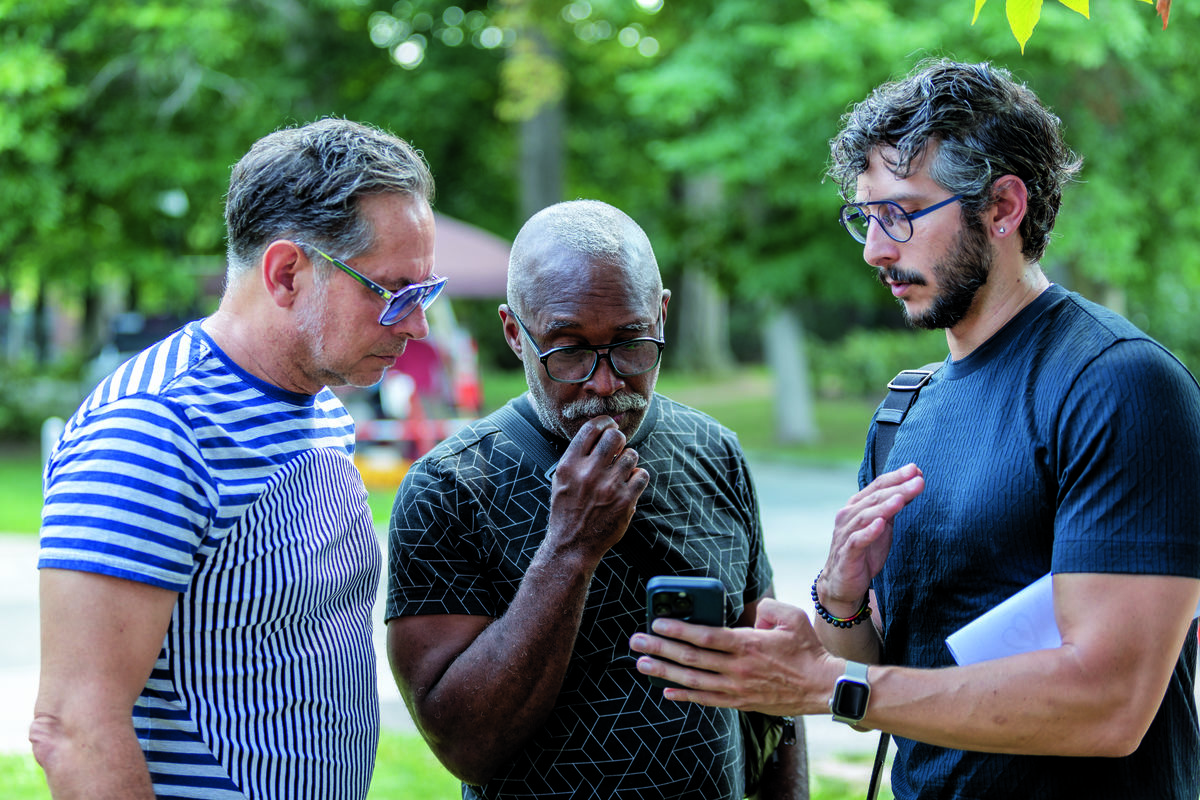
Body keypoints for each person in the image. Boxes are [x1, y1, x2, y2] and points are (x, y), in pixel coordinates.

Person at [631, 59, 1200, 799]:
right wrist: (837, 603)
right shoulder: (907, 409)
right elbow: (883, 657)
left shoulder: (1119, 385)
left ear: (1003, 207)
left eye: (900, 214)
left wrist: (834, 685)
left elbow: (1112, 703)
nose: (875, 251)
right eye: (865, 218)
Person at [31, 117, 444, 799]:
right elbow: (74, 729)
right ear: (286, 273)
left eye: (424, 290)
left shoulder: (321, 409)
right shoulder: (153, 430)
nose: (415, 323)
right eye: (393, 291)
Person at [385, 199, 808, 799]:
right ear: (515, 333)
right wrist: (570, 548)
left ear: (662, 315)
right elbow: (462, 745)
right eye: (571, 350)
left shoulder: (715, 451)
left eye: (632, 343)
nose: (606, 382)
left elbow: (771, 692)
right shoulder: (450, 489)